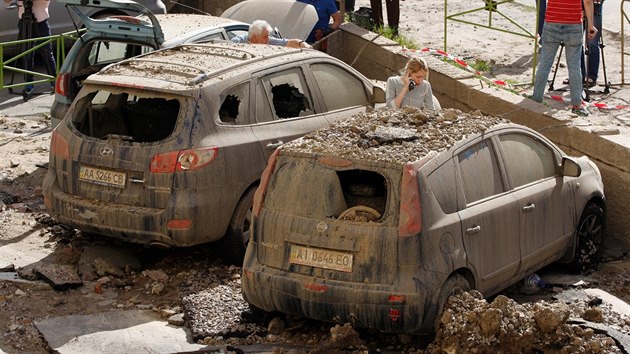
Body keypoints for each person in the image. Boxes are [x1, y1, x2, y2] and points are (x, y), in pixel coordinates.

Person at [531, 0, 597, 117]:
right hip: (574, 23)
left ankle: (535, 100)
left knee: (545, 64)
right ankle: (577, 105)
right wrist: (591, 25)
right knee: (574, 67)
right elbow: (587, 1)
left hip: (552, 21)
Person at [4, 0, 57, 98]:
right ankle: (28, 84)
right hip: (24, 23)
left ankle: (54, 81)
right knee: (26, 54)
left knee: (47, 53)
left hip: (41, 23)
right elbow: (6, 1)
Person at [231, 20, 312, 49]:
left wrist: (304, 45)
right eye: (265, 37)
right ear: (255, 38)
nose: (268, 39)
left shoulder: (268, 41)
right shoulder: (236, 43)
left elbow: (289, 42)